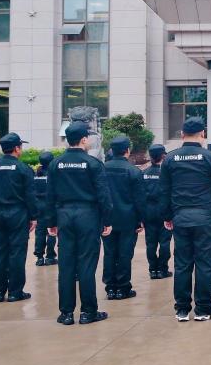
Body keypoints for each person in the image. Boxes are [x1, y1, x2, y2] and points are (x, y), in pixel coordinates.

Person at [160, 117, 211, 322]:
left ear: (182, 134)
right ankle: (203, 309)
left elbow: (164, 191)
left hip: (180, 217)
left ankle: (182, 310)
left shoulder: (170, 159)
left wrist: (167, 216)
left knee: (182, 264)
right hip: (206, 218)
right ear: (203, 134)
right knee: (205, 263)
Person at [46, 122, 113, 326]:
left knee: (66, 265)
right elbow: (103, 195)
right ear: (84, 139)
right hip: (88, 215)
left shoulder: (56, 164)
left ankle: (66, 313)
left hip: (64, 215)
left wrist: (51, 221)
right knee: (86, 264)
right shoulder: (93, 164)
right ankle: (88, 312)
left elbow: (50, 196)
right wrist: (107, 220)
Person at [0, 132, 38, 303]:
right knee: (17, 253)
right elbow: (30, 195)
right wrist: (33, 216)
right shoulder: (23, 169)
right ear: (16, 148)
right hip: (17, 214)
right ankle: (15, 292)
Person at [102, 136, 146, 301]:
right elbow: (139, 199)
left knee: (109, 253)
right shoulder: (133, 171)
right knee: (125, 254)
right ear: (127, 150)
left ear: (112, 151)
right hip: (128, 219)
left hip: (107, 219)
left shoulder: (102, 169)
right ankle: (122, 287)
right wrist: (141, 219)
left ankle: (110, 288)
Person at [143, 144, 173, 279]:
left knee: (150, 243)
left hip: (148, 211)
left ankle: (152, 270)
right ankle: (162, 269)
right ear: (163, 156)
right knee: (164, 242)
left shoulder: (144, 173)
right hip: (164, 211)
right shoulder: (166, 174)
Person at [32, 151, 58, 267]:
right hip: (50, 206)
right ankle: (50, 256)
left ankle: (39, 257)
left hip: (38, 207)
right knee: (52, 231)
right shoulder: (53, 175)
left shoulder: (36, 175)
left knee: (40, 232)